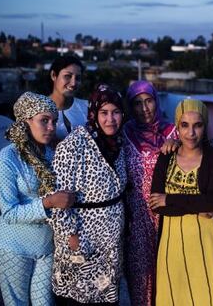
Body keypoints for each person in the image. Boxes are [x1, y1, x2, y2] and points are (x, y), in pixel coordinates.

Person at [150, 99, 213, 306]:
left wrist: (170, 199)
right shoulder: (167, 156)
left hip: (208, 244)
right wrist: (198, 205)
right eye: (184, 125)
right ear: (177, 127)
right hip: (172, 246)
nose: (191, 133)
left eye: (198, 125)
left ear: (205, 126)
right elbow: (156, 204)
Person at [0, 92, 74, 306]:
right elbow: (9, 212)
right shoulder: (8, 158)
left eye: (54, 121)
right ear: (26, 121)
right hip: (13, 246)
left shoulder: (52, 154)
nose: (51, 127)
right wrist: (48, 203)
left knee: (44, 303)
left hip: (46, 246)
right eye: (44, 120)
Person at [49, 84, 127, 305]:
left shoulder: (118, 144)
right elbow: (58, 196)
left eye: (116, 112)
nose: (110, 119)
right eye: (104, 113)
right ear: (93, 113)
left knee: (107, 296)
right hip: (82, 237)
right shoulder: (74, 145)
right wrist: (72, 236)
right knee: (79, 295)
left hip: (110, 243)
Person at [123, 80, 177, 305]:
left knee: (170, 273)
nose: (144, 109)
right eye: (137, 103)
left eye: (149, 101)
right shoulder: (124, 133)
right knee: (140, 277)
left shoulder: (173, 132)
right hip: (136, 218)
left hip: (169, 214)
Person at [49, 55, 87, 140]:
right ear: (53, 75)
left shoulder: (87, 108)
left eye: (77, 78)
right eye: (67, 76)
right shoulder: (38, 109)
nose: (73, 83)